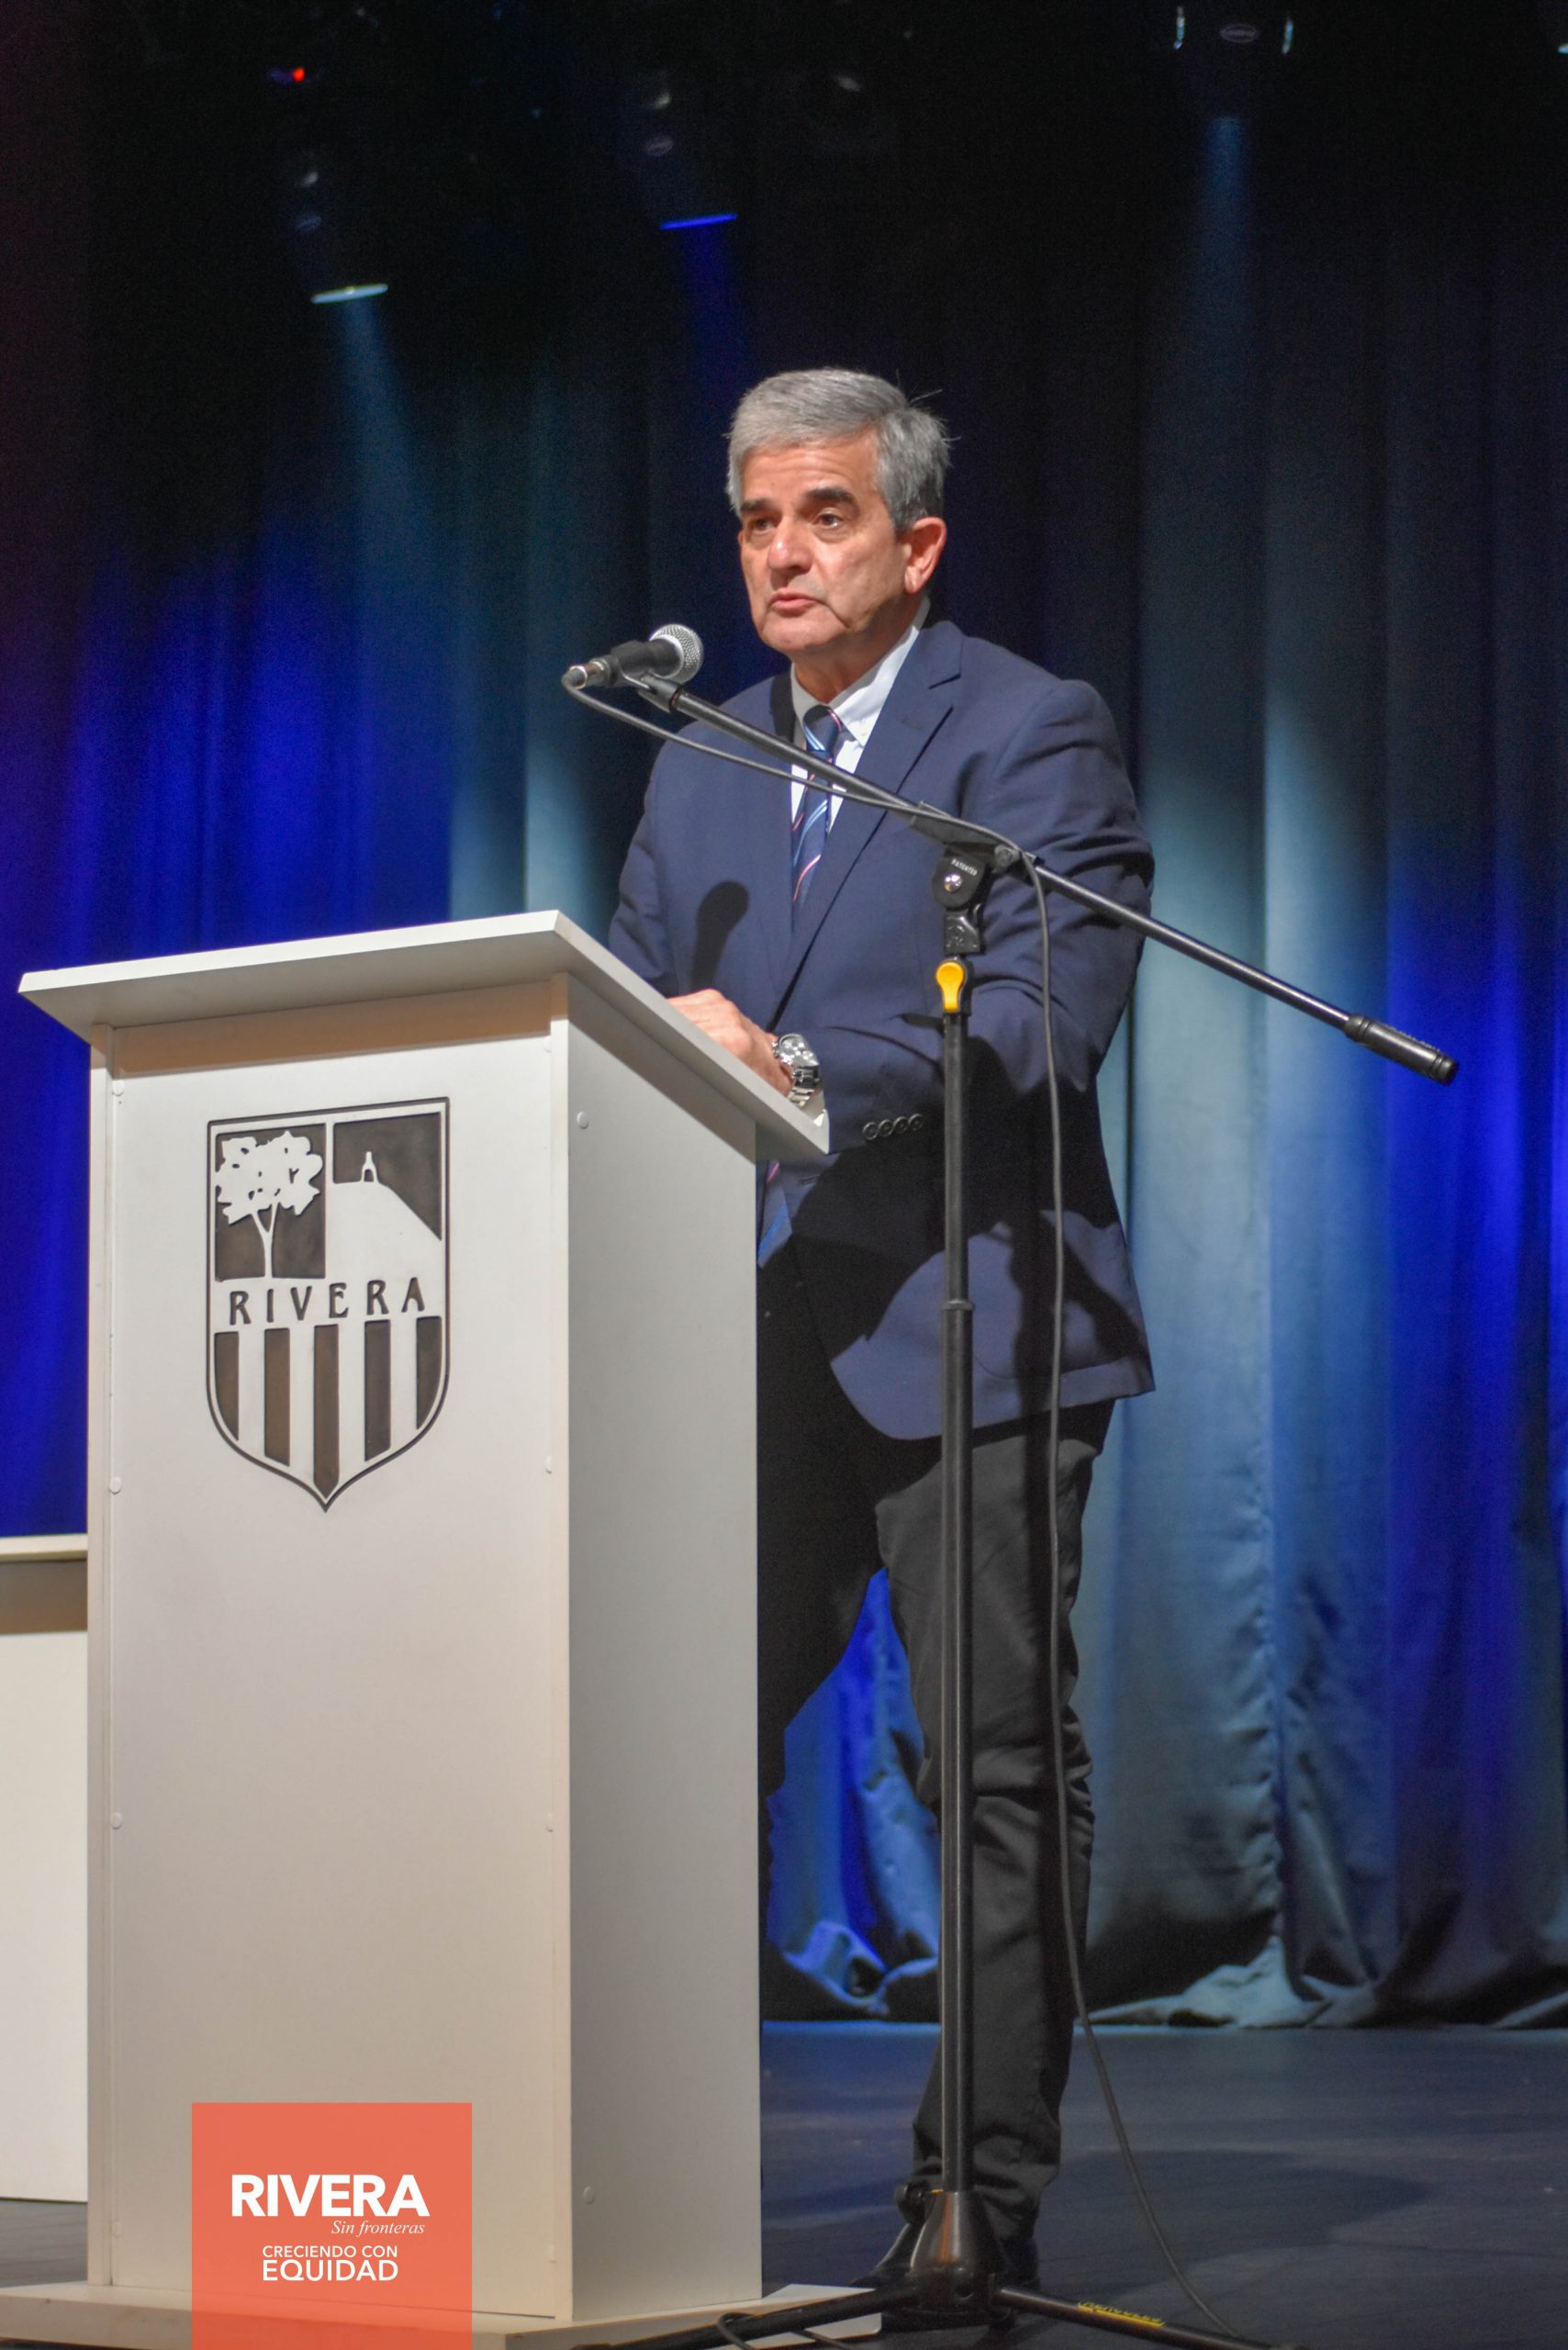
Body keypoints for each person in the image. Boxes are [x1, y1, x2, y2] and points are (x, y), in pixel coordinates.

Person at [608, 369, 1153, 2283]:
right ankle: (632, 2157)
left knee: (990, 1765)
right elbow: (632, 1013)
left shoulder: (1021, 730)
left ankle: (972, 2196)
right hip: (754, 1337)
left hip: (973, 1317)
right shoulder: (696, 757)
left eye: (822, 516)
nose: (781, 554)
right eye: (757, 520)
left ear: (913, 544)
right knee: (664, 1733)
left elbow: (1039, 1021)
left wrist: (794, 1066)